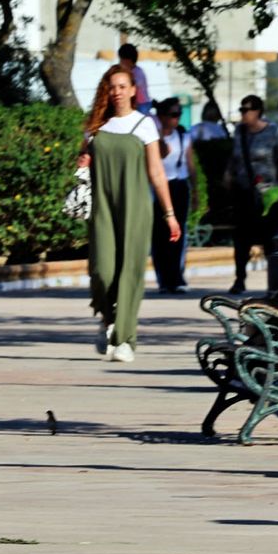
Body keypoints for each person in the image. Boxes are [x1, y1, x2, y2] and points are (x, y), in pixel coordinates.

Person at [76, 64, 182, 364]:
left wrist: (169, 214)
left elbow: (157, 173)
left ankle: (126, 339)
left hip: (136, 208)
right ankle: (107, 320)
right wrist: (83, 161)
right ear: (106, 91)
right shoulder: (95, 126)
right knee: (102, 271)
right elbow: (83, 159)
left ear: (134, 91)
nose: (117, 92)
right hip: (103, 207)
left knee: (130, 273)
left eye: (123, 86)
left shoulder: (144, 125)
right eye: (112, 87)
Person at [223, 94, 278, 294]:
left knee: (269, 240)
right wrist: (228, 179)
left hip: (267, 196)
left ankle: (274, 281)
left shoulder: (274, 132)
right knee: (241, 240)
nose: (243, 114)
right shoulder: (239, 132)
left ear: (257, 111)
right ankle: (240, 278)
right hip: (243, 194)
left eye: (246, 110)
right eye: (241, 110)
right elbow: (234, 159)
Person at [152, 97, 196, 294]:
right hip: (159, 187)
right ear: (161, 116)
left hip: (179, 185)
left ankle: (177, 276)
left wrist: (195, 191)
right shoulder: (153, 138)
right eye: (172, 114)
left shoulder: (183, 136)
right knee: (159, 234)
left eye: (178, 114)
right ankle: (164, 278)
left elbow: (190, 164)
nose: (176, 118)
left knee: (178, 233)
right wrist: (159, 133)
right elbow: (162, 153)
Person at [116, 43, 154, 116]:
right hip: (137, 104)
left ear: (128, 60)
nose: (120, 62)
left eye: (121, 60)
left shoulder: (137, 72)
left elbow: (134, 85)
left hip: (142, 104)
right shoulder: (130, 72)